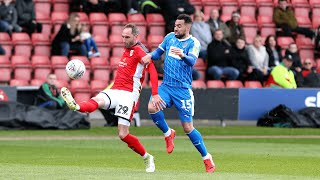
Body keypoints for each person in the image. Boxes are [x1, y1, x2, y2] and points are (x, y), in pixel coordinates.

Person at [61, 23, 161, 173]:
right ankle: (76, 106)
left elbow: (152, 71)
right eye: (122, 37)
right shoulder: (127, 49)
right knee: (98, 101)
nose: (124, 40)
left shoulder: (140, 52)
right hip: (115, 90)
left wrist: (155, 94)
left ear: (135, 37)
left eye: (127, 37)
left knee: (122, 134)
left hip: (129, 95)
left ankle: (147, 157)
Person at [141, 14, 215, 173]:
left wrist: (183, 55)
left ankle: (206, 158)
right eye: (175, 25)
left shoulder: (193, 42)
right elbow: (157, 54)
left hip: (183, 90)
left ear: (187, 27)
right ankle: (168, 133)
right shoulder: (169, 38)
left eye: (179, 26)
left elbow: (192, 62)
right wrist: (148, 56)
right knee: (152, 107)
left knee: (188, 128)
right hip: (167, 86)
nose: (175, 28)